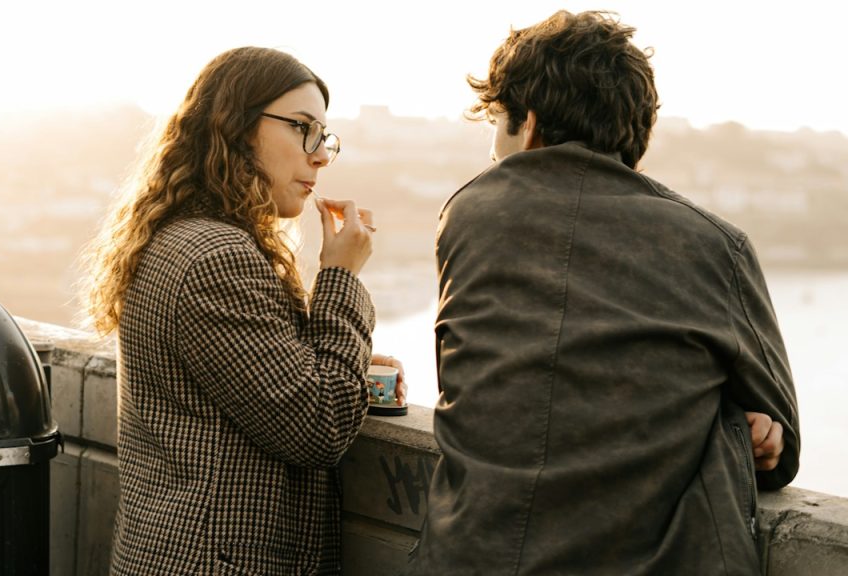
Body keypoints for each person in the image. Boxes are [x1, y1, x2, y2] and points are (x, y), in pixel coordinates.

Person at [406, 11, 799, 575]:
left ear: (530, 123)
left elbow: (482, 387)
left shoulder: (467, 214)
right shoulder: (715, 246)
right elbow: (783, 452)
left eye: (497, 123)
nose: (493, 153)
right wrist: (740, 424)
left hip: (466, 557)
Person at [81, 46, 404, 575]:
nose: (319, 155)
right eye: (303, 128)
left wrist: (346, 365)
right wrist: (341, 277)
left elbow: (252, 380)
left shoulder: (177, 237)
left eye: (324, 138)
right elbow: (317, 426)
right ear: (236, 127)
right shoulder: (218, 258)